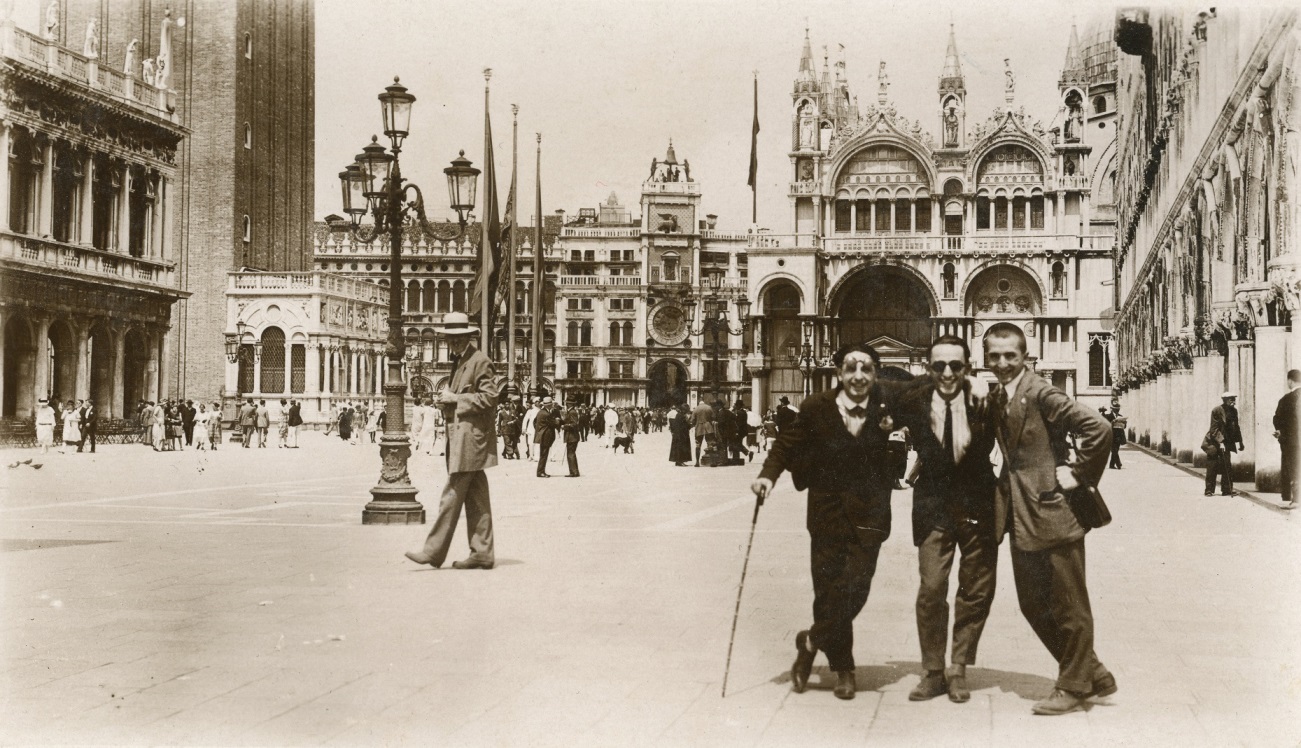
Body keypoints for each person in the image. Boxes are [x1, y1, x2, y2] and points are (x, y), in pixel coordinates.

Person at [751, 342, 905, 701]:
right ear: (838, 373)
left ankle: (810, 642)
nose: (858, 376)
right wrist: (766, 476)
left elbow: (929, 394)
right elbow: (786, 444)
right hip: (826, 511)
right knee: (827, 589)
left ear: (876, 373)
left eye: (866, 369)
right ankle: (844, 669)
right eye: (850, 368)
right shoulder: (816, 406)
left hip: (870, 512)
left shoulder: (888, 403)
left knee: (856, 586)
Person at [984, 325, 1115, 715]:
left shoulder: (1040, 392)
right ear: (986, 358)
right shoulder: (1000, 396)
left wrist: (1079, 473)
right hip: (1020, 514)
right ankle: (1093, 672)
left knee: (1069, 606)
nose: (1003, 363)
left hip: (1054, 512)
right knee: (1032, 604)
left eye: (1011, 356)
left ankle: (1074, 685)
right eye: (995, 356)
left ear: (1025, 356)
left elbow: (1099, 427)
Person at [894, 336, 999, 704]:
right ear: (928, 369)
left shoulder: (988, 401)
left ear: (969, 367)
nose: (948, 373)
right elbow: (881, 384)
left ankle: (958, 670)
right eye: (939, 366)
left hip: (978, 506)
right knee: (932, 588)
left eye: (957, 366)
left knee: (975, 592)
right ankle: (932, 670)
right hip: (933, 507)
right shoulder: (913, 400)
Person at [405, 312, 501, 570]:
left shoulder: (480, 361)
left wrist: (455, 400)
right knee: (477, 498)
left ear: (469, 337)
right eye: (450, 338)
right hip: (462, 438)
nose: (454, 343)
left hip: (470, 440)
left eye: (459, 338)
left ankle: (433, 551)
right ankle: (482, 552)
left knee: (452, 493)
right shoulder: (460, 362)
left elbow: (491, 397)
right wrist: (447, 401)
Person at [1202, 391, 1244, 497]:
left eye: (1234, 399)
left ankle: (1227, 489)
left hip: (1227, 442)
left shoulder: (1234, 411)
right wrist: (1220, 442)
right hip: (1214, 442)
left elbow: (1236, 427)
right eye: (1231, 399)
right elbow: (1214, 429)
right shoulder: (1216, 410)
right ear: (1224, 400)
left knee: (1227, 466)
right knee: (1212, 466)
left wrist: (1240, 442)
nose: (1233, 402)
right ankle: (1209, 490)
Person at [1274, 370, 1300, 509]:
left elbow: (1277, 419)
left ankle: (1295, 499)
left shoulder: (1286, 399)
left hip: (1291, 441)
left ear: (1290, 381)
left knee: (1293, 467)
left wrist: (1279, 432)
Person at [533, 396, 559, 478]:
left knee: (543, 454)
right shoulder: (546, 414)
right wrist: (557, 420)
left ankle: (541, 471)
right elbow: (554, 424)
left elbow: (534, 422)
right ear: (549, 405)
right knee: (544, 455)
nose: (552, 405)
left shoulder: (540, 412)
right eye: (551, 404)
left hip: (542, 435)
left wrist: (540, 429)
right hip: (546, 436)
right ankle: (540, 472)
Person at [691, 397, 715, 467]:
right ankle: (712, 462)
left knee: (698, 445)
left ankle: (697, 462)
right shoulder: (709, 408)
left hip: (699, 428)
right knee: (710, 444)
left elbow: (693, 420)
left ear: (698, 401)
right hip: (708, 427)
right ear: (703, 401)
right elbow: (713, 417)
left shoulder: (696, 409)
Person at [1103, 402, 1127, 469]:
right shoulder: (1108, 416)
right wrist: (1112, 422)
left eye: (1118, 409)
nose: (1117, 411)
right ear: (1112, 409)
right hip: (1111, 435)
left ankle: (1111, 465)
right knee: (1114, 450)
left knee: (1116, 450)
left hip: (1119, 435)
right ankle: (1118, 464)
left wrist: (1124, 423)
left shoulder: (1121, 416)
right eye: (1115, 409)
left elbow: (1124, 427)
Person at [668, 401, 692, 466]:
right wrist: (689, 424)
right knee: (681, 447)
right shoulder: (682, 416)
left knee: (678, 447)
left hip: (678, 434)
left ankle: (678, 461)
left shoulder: (678, 415)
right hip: (681, 434)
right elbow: (685, 426)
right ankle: (680, 461)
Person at [562, 402, 581, 477]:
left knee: (571, 454)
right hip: (572, 436)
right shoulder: (571, 411)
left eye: (567, 403)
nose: (566, 404)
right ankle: (574, 471)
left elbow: (574, 424)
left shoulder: (572, 412)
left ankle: (574, 472)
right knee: (571, 453)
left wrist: (564, 426)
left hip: (572, 436)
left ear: (570, 404)